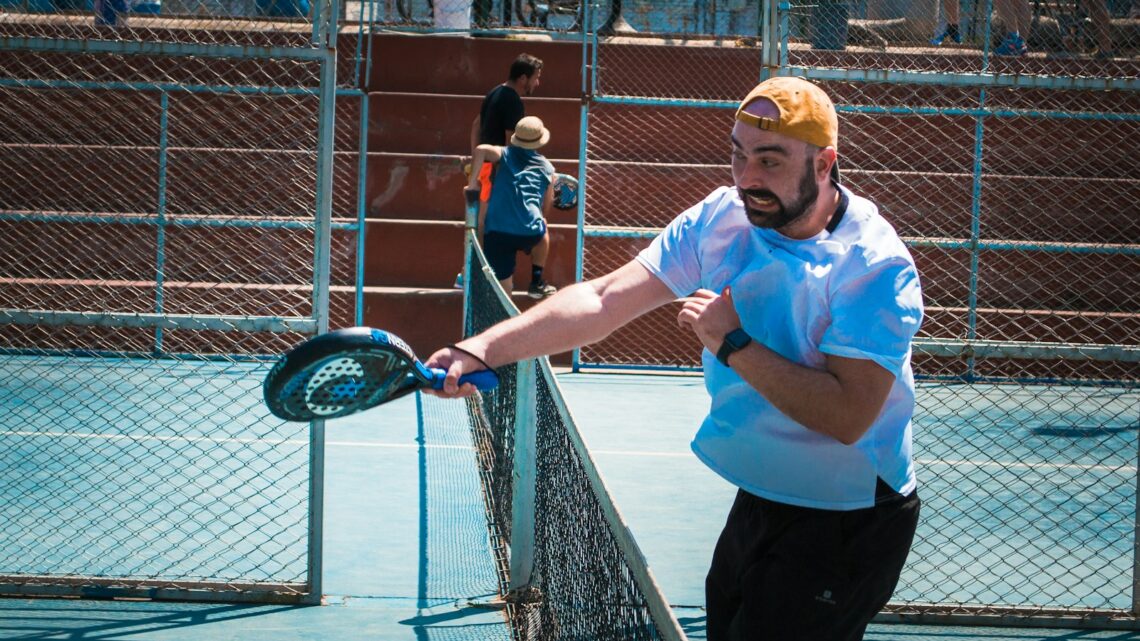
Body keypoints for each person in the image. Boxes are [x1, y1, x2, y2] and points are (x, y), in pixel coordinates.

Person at [429, 76, 924, 640]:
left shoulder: (874, 266)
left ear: (824, 163)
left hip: (851, 516)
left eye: (769, 160)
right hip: (763, 496)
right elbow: (604, 297)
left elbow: (848, 415)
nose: (747, 179)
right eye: (738, 156)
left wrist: (733, 345)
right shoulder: (723, 216)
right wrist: (482, 350)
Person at [459, 53, 548, 287]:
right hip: (496, 168)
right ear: (522, 78)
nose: (536, 83)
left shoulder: (494, 92)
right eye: (535, 78)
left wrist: (474, 161)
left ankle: (469, 270)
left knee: (480, 218)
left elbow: (475, 125)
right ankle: (469, 271)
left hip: (486, 164)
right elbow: (513, 144)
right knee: (484, 221)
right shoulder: (513, 101)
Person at [466, 116, 558, 299]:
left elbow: (480, 150)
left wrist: (472, 184)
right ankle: (536, 281)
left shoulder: (504, 155)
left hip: (497, 232)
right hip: (530, 231)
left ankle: (503, 318)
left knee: (503, 289)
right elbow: (545, 209)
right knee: (543, 228)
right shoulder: (548, 168)